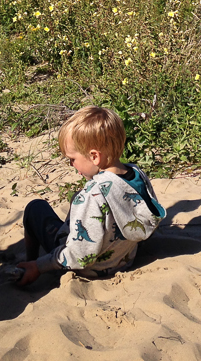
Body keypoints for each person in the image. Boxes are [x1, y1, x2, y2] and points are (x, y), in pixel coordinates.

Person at [16, 106, 165, 286]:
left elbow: (81, 255)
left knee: (35, 208)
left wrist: (41, 265)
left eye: (72, 158)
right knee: (77, 200)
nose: (71, 164)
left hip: (90, 268)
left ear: (94, 156)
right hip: (123, 260)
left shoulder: (93, 194)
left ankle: (28, 265)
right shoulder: (137, 174)